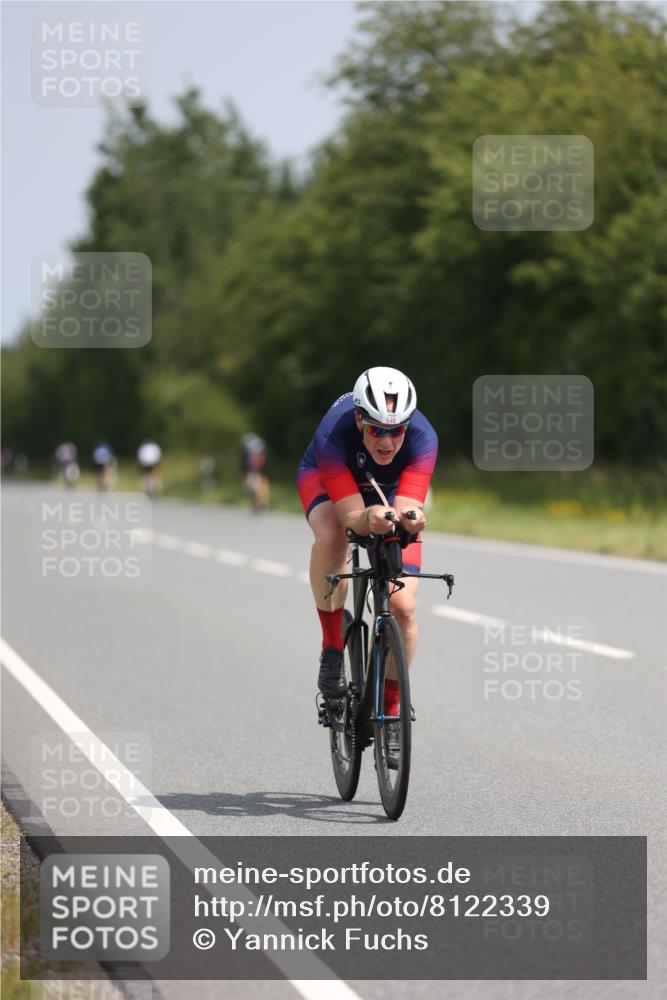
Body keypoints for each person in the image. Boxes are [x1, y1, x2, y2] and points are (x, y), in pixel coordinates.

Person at [297, 367, 438, 723]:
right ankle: (332, 646)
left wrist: (411, 519)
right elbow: (352, 518)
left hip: (388, 489)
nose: (387, 442)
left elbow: (407, 506)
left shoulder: (424, 438)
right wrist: (368, 517)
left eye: (397, 431)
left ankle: (390, 705)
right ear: (359, 419)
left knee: (403, 607)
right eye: (376, 429)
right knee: (333, 535)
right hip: (329, 478)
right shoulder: (332, 433)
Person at [240, 433, 270, 512]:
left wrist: (243, 473)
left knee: (252, 489)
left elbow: (244, 464)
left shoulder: (246, 451)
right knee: (256, 488)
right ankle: (259, 503)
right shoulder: (260, 449)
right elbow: (264, 463)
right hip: (258, 472)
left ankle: (256, 504)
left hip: (251, 472)